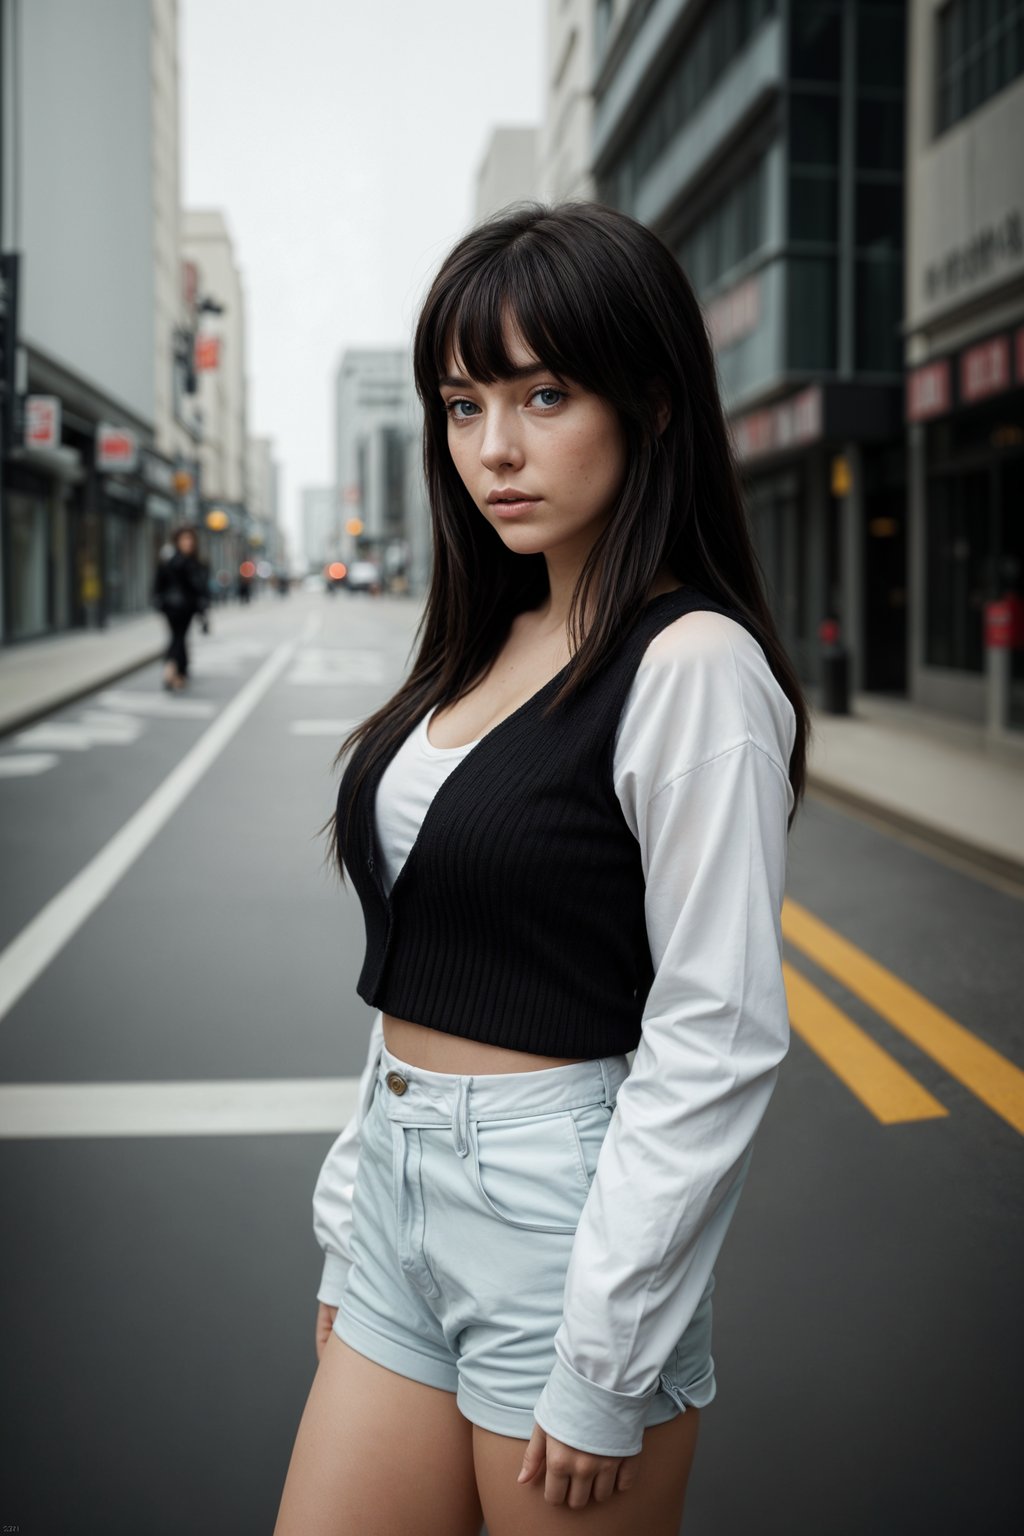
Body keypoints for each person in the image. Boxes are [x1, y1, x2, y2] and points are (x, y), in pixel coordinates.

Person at [274, 202, 809, 1536]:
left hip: (560, 1227)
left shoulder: (691, 668)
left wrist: (605, 1356)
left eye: (544, 394)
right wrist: (356, 1209)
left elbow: (718, 1035)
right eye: (461, 405)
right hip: (401, 1193)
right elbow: (430, 948)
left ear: (652, 402)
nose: (493, 449)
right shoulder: (487, 638)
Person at [152, 525, 209, 690]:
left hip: (187, 608)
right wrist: (158, 600)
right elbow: (159, 582)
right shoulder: (172, 560)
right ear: (177, 541)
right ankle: (173, 671)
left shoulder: (195, 561)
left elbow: (201, 587)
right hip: (172, 607)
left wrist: (203, 608)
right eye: (184, 539)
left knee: (179, 637)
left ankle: (179, 671)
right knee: (177, 637)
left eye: (190, 539)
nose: (188, 543)